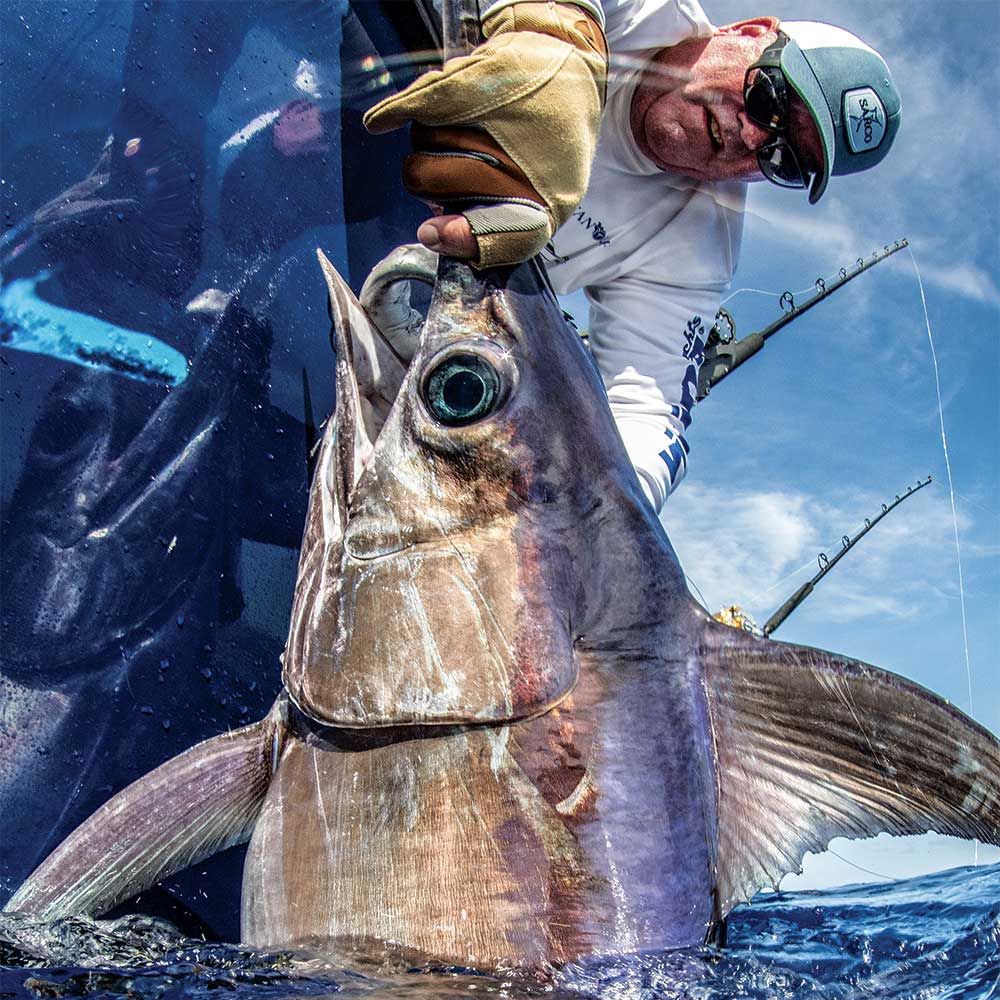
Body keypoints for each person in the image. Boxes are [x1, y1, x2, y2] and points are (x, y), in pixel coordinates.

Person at [363, 0, 901, 511]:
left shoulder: (697, 249)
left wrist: (606, 516)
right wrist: (558, 39)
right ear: (750, 32)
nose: (750, 133)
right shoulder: (644, 11)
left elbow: (647, 414)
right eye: (772, 99)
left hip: (379, 294)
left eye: (781, 156)